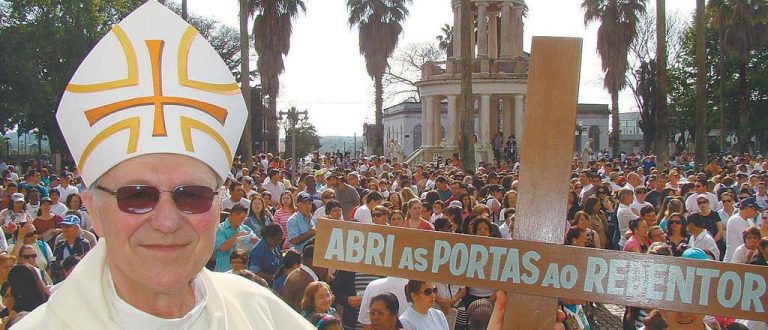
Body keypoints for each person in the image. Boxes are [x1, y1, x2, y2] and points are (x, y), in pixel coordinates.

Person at [17, 3, 312, 327]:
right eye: (137, 196)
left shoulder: (263, 315)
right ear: (94, 211)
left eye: (192, 195)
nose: (168, 221)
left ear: (217, 205)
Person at [283, 245, 328, 312]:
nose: (326, 265)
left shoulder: (297, 273)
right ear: (311, 260)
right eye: (323, 260)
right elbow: (302, 311)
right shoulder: (306, 282)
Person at [214, 204, 255, 272]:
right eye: (241, 218)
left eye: (244, 218)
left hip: (241, 272)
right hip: (223, 271)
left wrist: (253, 240)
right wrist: (237, 236)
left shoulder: (246, 229)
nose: (243, 221)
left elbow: (255, 241)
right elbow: (222, 248)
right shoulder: (220, 229)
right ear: (233, 215)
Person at [724, 197, 762, 262]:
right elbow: (749, 242)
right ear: (748, 208)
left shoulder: (749, 221)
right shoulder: (735, 220)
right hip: (732, 261)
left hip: (745, 260)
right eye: (755, 209)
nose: (757, 212)